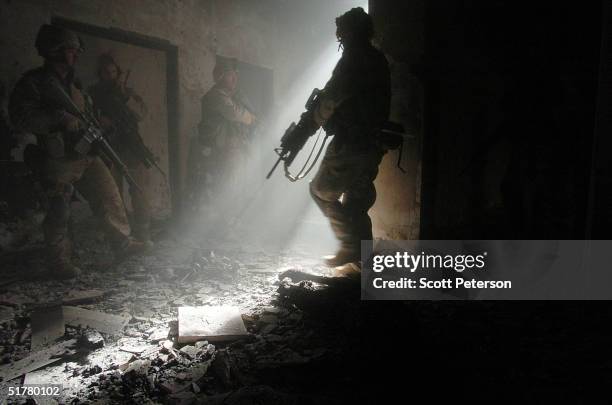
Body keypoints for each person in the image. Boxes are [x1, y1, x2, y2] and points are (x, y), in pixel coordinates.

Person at [9, 24, 146, 279]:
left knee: (109, 195)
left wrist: (99, 123)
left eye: (75, 50)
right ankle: (60, 261)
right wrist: (57, 119)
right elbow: (20, 116)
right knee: (59, 208)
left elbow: (87, 114)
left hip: (85, 152)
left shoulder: (76, 85)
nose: (74, 55)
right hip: (58, 156)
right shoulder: (34, 82)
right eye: (70, 50)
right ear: (54, 51)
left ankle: (123, 244)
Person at [306, 7, 391, 273]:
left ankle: (350, 245)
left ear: (350, 33)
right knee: (356, 202)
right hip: (372, 144)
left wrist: (309, 123)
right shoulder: (378, 59)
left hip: (351, 144)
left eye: (342, 32)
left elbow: (332, 97)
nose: (339, 37)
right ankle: (364, 263)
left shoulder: (354, 59)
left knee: (320, 191)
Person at [88, 53, 152, 243]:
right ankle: (122, 236)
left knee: (139, 190)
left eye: (114, 71)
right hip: (108, 148)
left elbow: (142, 113)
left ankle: (143, 232)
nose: (111, 75)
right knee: (113, 195)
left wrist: (125, 97)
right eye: (106, 72)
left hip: (131, 148)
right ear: (100, 73)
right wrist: (102, 123)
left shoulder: (126, 93)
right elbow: (87, 118)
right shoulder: (93, 94)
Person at [187, 57, 256, 215]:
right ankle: (224, 226)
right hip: (220, 150)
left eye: (235, 75)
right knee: (226, 188)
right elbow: (234, 113)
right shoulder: (216, 95)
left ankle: (228, 224)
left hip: (230, 148)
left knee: (232, 186)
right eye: (230, 75)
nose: (235, 78)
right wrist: (251, 118)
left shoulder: (230, 95)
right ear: (220, 76)